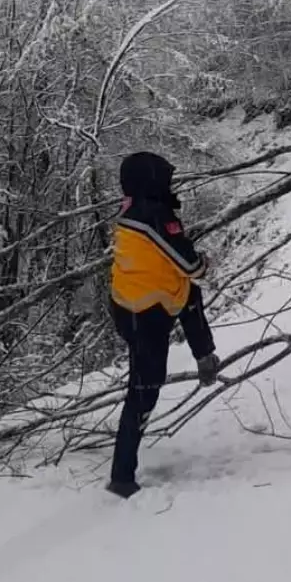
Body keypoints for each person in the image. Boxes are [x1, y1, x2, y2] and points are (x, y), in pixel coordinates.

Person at [107, 151, 220, 498]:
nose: (170, 183)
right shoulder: (152, 215)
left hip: (135, 301)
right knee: (144, 391)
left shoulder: (135, 208)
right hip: (144, 312)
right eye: (165, 177)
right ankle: (122, 477)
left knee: (190, 297)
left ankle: (205, 355)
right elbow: (189, 264)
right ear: (152, 181)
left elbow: (172, 263)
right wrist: (203, 261)